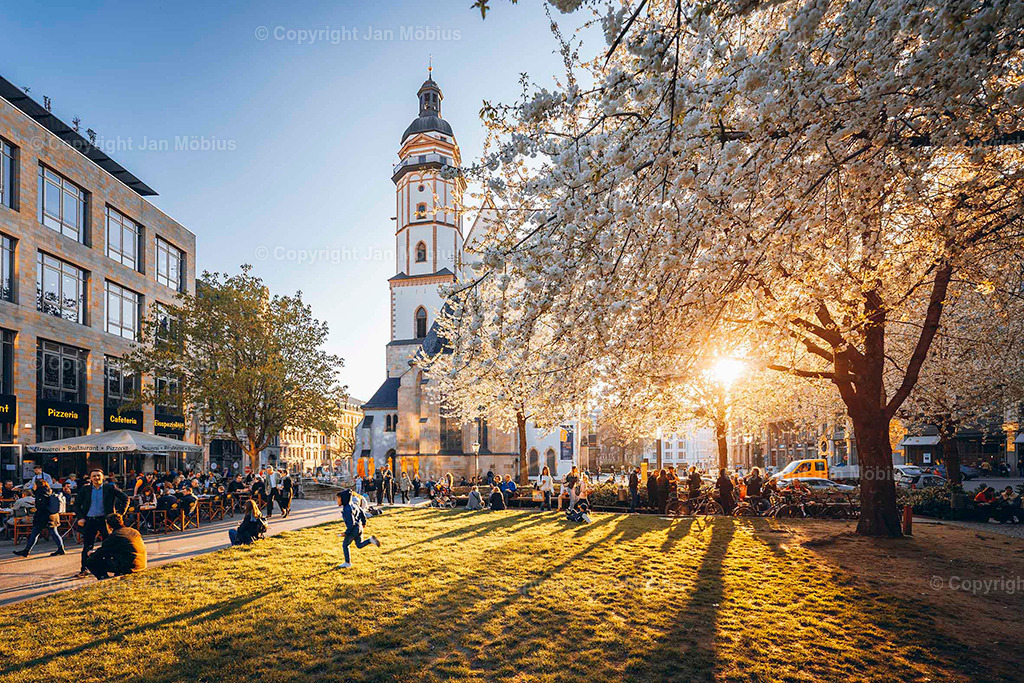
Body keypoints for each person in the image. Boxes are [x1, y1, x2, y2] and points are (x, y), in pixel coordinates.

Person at [73, 469, 128, 579]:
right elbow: (76, 504)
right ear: (90, 478)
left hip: (105, 520)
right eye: (94, 476)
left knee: (109, 544)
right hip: (90, 520)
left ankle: (114, 567)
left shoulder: (110, 488)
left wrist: (120, 514)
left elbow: (125, 498)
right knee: (87, 546)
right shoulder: (85, 489)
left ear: (103, 477)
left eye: (98, 476)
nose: (96, 478)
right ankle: (84, 569)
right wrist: (81, 517)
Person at [83, 513, 146, 580]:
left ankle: (103, 578)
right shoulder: (134, 531)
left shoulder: (114, 536)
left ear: (108, 525)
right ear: (122, 521)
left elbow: (102, 552)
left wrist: (91, 554)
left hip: (129, 566)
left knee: (90, 561)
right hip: (141, 563)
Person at [12, 481, 65, 557]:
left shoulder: (40, 493)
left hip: (43, 517)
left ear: (38, 485)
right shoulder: (49, 491)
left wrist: (36, 506)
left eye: (34, 485)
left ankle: (26, 551)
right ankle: (61, 548)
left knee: (35, 533)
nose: (33, 486)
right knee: (54, 532)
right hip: (53, 515)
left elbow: (41, 506)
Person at [336, 490, 380, 569]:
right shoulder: (354, 505)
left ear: (344, 499)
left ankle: (347, 562)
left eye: (338, 499)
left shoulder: (347, 509)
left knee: (345, 545)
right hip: (359, 528)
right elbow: (362, 513)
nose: (337, 500)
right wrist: (363, 523)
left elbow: (351, 523)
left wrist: (346, 533)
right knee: (359, 545)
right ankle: (370, 540)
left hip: (353, 530)